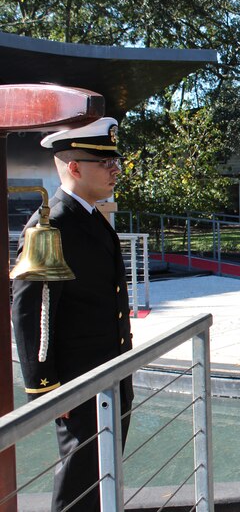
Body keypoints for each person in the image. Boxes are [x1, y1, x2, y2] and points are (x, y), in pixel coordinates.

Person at [12, 117, 133, 511]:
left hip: (108, 371)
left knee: (102, 477)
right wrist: (46, 387)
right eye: (105, 162)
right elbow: (31, 310)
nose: (116, 169)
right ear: (75, 167)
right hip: (77, 381)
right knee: (79, 485)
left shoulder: (89, 216)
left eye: (114, 161)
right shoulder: (51, 225)